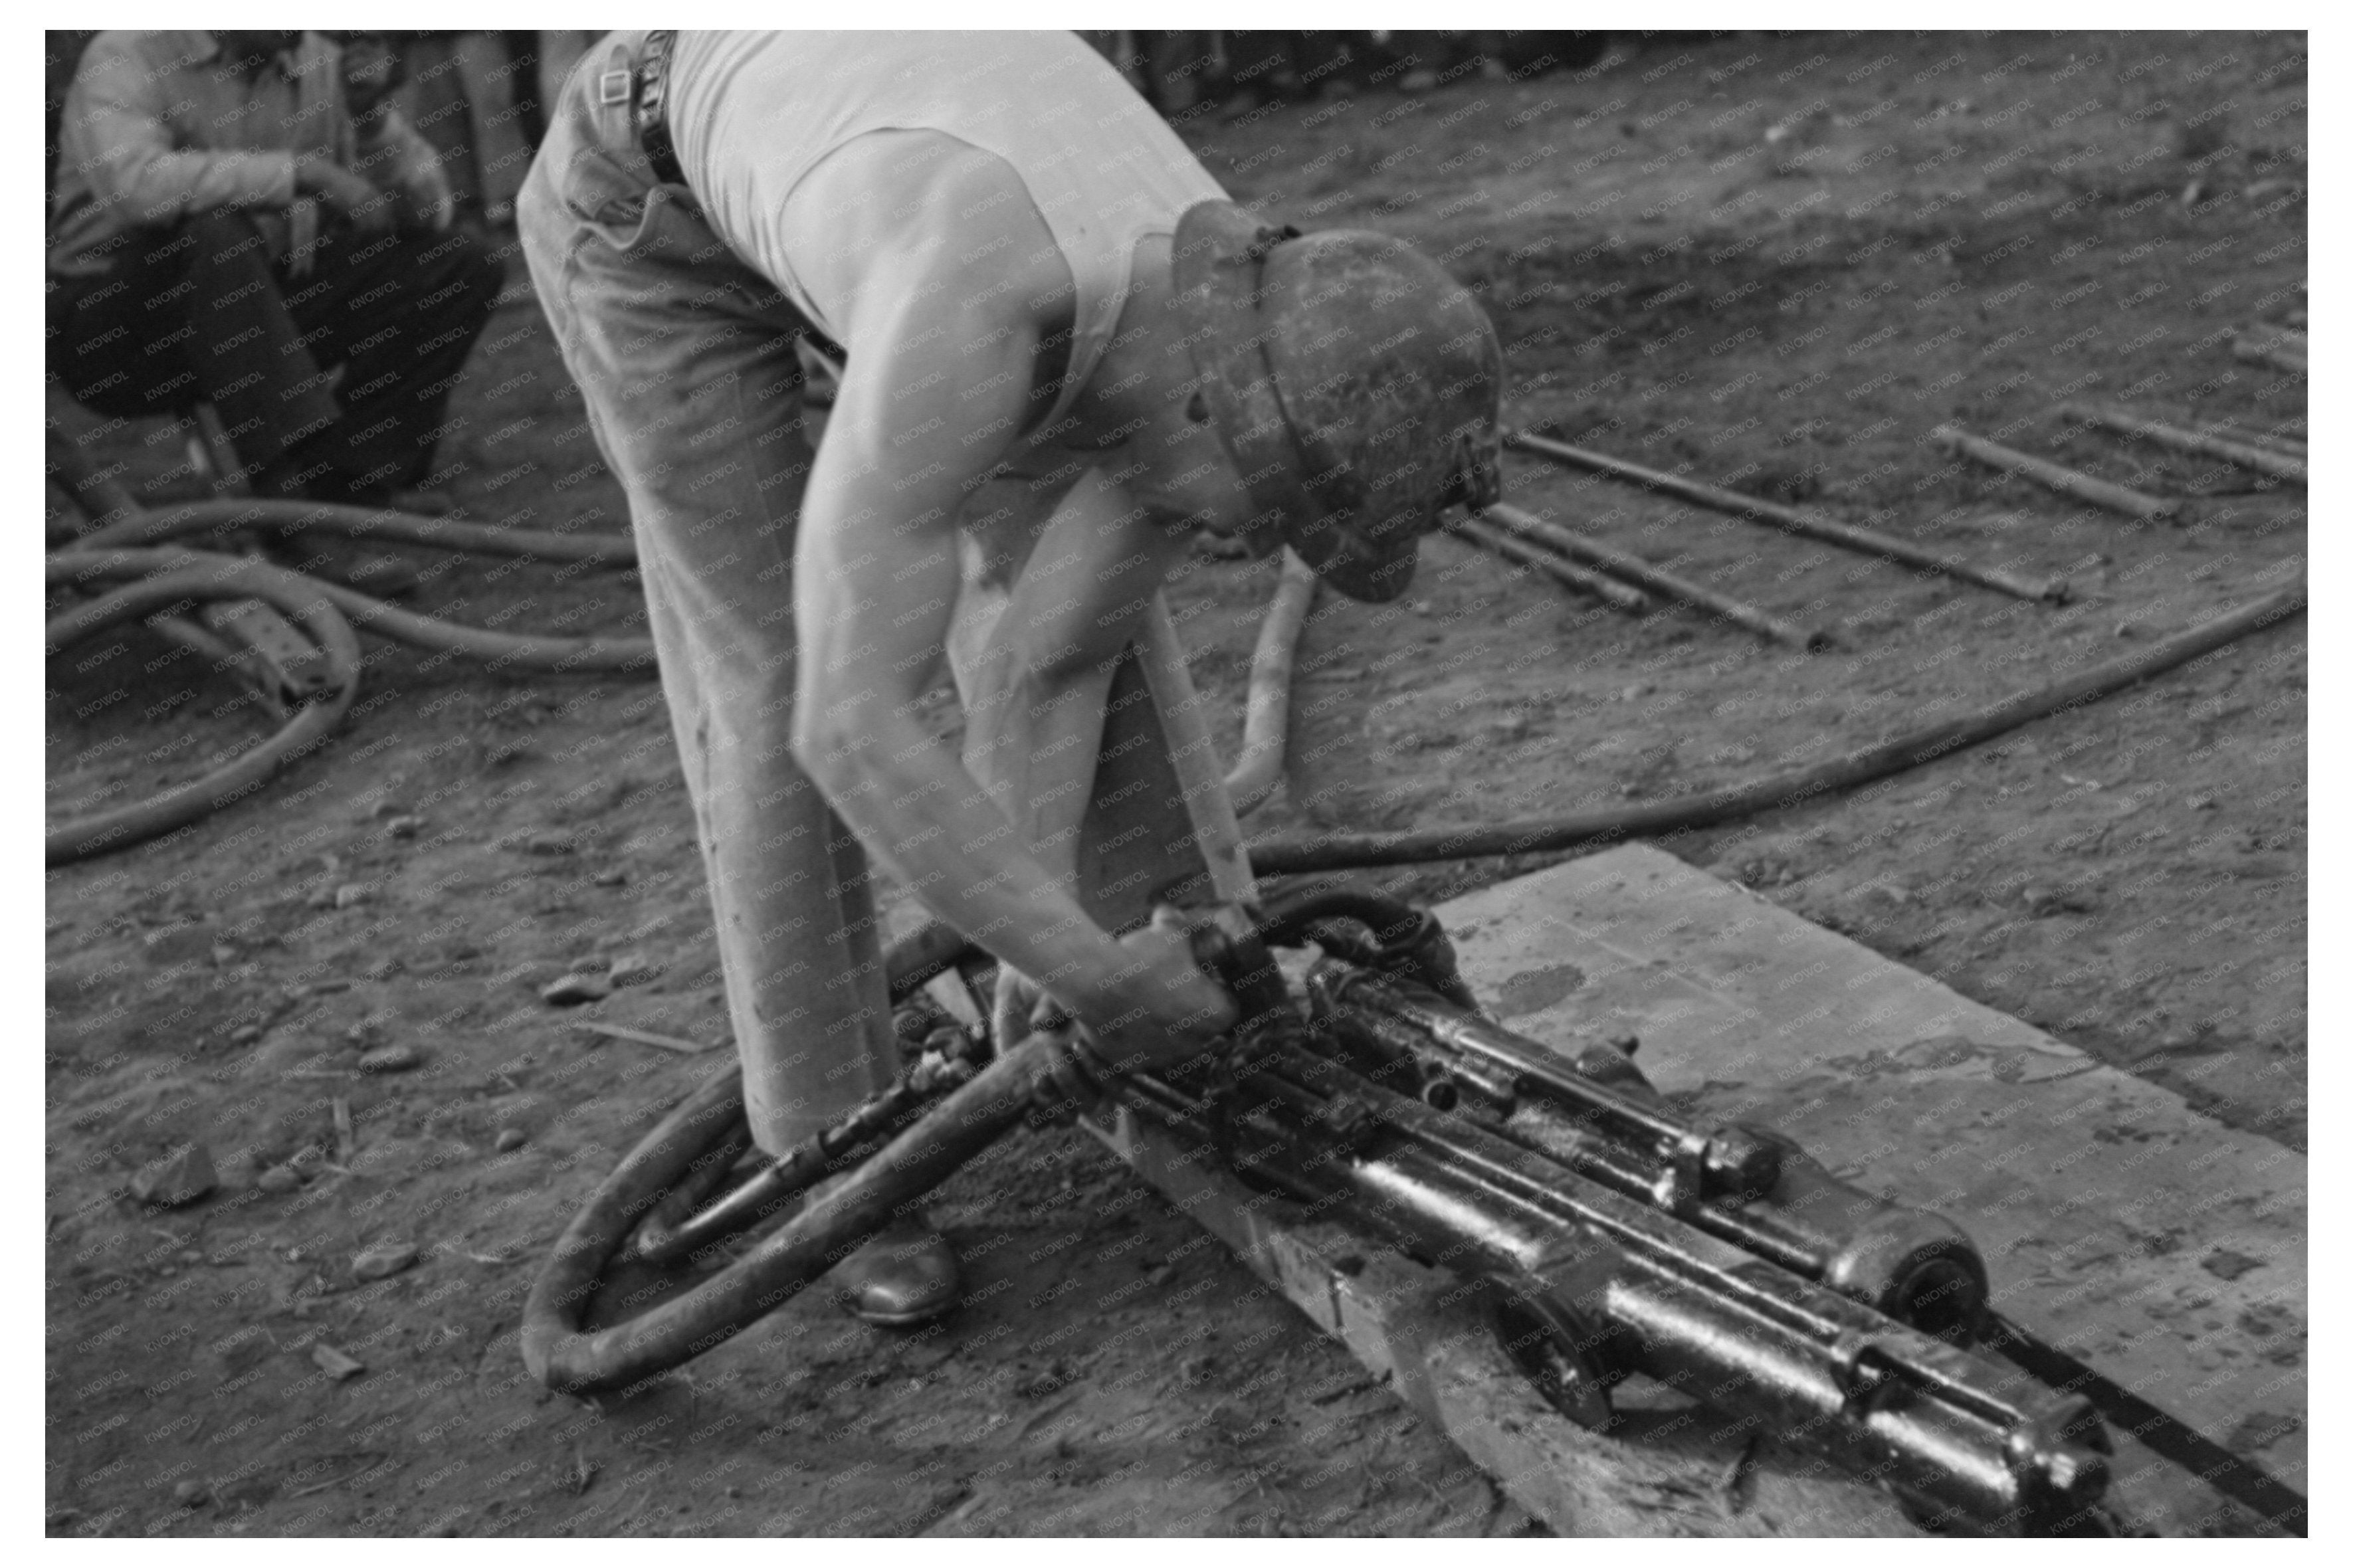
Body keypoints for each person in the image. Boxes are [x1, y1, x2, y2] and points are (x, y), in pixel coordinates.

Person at [519, 30, 1502, 1325]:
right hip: (646, 195)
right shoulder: (978, 302)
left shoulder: (1235, 312)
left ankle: (1201, 1038)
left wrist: (1041, 972)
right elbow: (853, 724)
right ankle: (835, 1152)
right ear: (1221, 412)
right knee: (784, 673)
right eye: (1274, 512)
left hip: (863, 152)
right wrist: (1091, 976)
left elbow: (1047, 660)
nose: (1260, 546)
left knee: (1106, 635)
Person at [48, 31, 500, 509]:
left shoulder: (315, 57)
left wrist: (370, 120)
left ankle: (352, 482)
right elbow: (135, 186)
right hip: (116, 331)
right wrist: (301, 172)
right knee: (215, 229)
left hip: (260, 303)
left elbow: (429, 213)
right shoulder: (128, 54)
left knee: (458, 265)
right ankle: (288, 507)